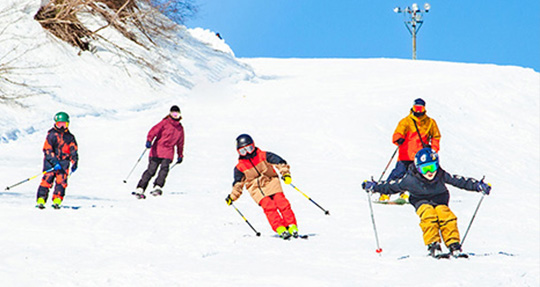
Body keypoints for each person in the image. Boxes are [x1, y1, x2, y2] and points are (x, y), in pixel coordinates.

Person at [362, 148, 491, 258]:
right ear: (418, 169)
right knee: (428, 215)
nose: (429, 172)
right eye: (425, 169)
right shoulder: (410, 180)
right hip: (421, 200)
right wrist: (374, 186)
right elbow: (391, 186)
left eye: (432, 167)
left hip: (439, 199)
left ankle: (454, 244)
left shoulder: (440, 174)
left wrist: (478, 186)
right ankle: (433, 244)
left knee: (446, 216)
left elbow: (460, 181)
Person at [225, 134, 299, 239]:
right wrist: (232, 197)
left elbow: (280, 162)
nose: (247, 153)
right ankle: (280, 228)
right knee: (269, 206)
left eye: (249, 149)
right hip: (256, 190)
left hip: (271, 182)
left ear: (253, 146)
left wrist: (285, 174)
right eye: (243, 151)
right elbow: (238, 184)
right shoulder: (240, 168)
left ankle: (291, 225)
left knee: (281, 202)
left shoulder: (263, 156)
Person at [380, 98, 441, 202]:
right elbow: (397, 133)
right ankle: (385, 193)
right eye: (416, 108)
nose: (418, 111)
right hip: (405, 154)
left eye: (420, 108)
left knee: (416, 177)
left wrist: (433, 150)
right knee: (398, 173)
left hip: (420, 156)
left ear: (424, 109)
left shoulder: (430, 122)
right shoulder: (406, 121)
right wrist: (398, 138)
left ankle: (407, 194)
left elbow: (436, 136)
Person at [133, 105, 184, 198]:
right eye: (173, 113)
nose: (175, 116)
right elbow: (153, 131)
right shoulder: (164, 123)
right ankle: (140, 188)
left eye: (177, 114)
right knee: (151, 170)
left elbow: (180, 143)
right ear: (170, 114)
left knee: (164, 170)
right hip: (157, 150)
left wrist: (180, 155)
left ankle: (157, 186)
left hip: (168, 152)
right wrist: (149, 140)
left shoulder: (180, 128)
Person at [36, 112, 78, 209]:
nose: (62, 127)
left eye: (64, 124)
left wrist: (75, 161)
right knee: (47, 180)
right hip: (50, 163)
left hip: (64, 163)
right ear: (55, 123)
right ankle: (41, 200)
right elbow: (47, 149)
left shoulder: (70, 137)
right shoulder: (52, 135)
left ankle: (57, 200)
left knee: (61, 182)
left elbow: (73, 150)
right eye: (60, 124)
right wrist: (54, 161)